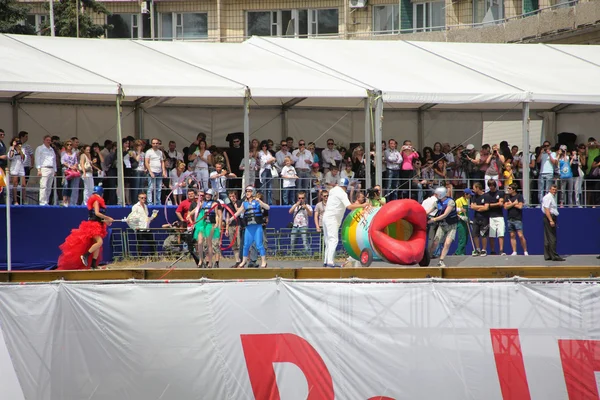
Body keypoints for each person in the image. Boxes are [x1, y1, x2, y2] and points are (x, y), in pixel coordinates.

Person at [57, 186, 114, 270]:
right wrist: (108, 218)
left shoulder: (97, 201)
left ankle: (93, 265)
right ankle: (85, 255)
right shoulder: (96, 200)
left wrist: (106, 221)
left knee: (97, 245)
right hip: (93, 225)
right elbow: (97, 213)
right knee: (99, 242)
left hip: (98, 224)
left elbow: (97, 216)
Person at [322, 178, 365, 267]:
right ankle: (330, 262)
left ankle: (326, 261)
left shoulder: (333, 190)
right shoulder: (342, 193)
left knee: (328, 241)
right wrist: (363, 205)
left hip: (326, 217)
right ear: (346, 186)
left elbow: (334, 187)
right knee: (333, 240)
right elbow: (349, 206)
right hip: (332, 218)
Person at [229, 186, 270, 268]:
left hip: (257, 227)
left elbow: (268, 207)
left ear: (253, 192)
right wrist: (231, 219)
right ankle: (243, 261)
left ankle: (263, 261)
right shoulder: (244, 203)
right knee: (246, 245)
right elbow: (238, 213)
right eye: (247, 191)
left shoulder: (257, 202)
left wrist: (260, 202)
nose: (247, 192)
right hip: (249, 227)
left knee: (259, 244)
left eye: (250, 191)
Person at [424, 187, 458, 267]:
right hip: (442, 225)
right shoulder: (437, 203)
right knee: (435, 242)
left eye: (436, 194)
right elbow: (428, 211)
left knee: (447, 243)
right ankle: (428, 256)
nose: (435, 195)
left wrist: (434, 219)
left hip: (451, 226)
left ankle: (441, 260)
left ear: (440, 194)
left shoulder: (450, 202)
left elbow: (445, 215)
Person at [191, 189, 222, 268]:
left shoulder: (214, 204)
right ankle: (201, 260)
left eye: (209, 195)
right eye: (206, 194)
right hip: (203, 224)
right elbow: (196, 209)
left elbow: (217, 215)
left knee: (209, 243)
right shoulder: (203, 203)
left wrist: (217, 224)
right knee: (200, 242)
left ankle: (210, 262)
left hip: (210, 224)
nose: (207, 196)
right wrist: (189, 214)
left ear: (211, 196)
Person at [175, 188, 200, 265]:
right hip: (188, 225)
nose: (190, 195)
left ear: (195, 194)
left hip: (197, 225)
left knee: (197, 242)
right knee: (188, 242)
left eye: (192, 194)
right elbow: (177, 211)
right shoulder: (184, 203)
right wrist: (183, 220)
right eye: (189, 194)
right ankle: (187, 259)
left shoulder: (198, 203)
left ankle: (198, 259)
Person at [504, 183, 529, 256]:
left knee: (520, 235)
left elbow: (520, 207)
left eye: (510, 189)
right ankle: (514, 251)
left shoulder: (519, 196)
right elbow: (505, 207)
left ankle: (525, 251)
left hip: (517, 219)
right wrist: (514, 203)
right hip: (509, 218)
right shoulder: (507, 197)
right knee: (512, 235)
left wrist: (511, 204)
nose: (508, 190)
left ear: (514, 190)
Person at [541, 185, 565, 261]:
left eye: (555, 190)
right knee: (552, 237)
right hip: (549, 217)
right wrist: (551, 220)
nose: (554, 191)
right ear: (549, 189)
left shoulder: (552, 197)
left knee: (547, 237)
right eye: (553, 189)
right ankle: (554, 255)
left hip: (551, 217)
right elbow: (546, 209)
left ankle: (548, 255)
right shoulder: (548, 197)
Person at [35, 135, 57, 206]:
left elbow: (54, 160)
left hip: (51, 169)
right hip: (44, 168)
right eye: (47, 140)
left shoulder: (51, 149)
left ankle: (46, 201)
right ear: (44, 140)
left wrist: (55, 170)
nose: (48, 141)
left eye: (49, 140)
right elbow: (37, 159)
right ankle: (42, 202)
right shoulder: (40, 148)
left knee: (49, 187)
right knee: (43, 186)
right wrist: (38, 169)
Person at [145, 138, 167, 205]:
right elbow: (146, 162)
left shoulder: (160, 152)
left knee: (159, 188)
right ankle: (150, 202)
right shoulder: (148, 152)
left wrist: (164, 171)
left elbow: (162, 162)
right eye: (153, 143)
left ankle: (158, 202)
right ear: (151, 144)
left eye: (156, 143)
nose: (155, 145)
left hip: (159, 171)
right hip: (152, 171)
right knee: (150, 188)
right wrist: (150, 171)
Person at [486, 180, 506, 255]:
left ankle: (501, 250)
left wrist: (491, 204)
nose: (491, 187)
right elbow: (487, 205)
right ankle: (492, 250)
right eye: (489, 186)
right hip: (490, 216)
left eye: (492, 185)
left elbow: (501, 204)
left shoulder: (500, 193)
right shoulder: (487, 194)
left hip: (499, 216)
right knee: (491, 235)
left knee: (501, 233)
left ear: (495, 186)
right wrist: (496, 203)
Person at [470, 182, 490, 257]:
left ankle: (484, 250)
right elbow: (472, 206)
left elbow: (486, 207)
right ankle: (477, 249)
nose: (473, 189)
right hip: (476, 218)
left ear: (478, 188)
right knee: (475, 234)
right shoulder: (474, 196)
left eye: (474, 188)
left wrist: (477, 207)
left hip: (484, 218)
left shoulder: (486, 196)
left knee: (483, 234)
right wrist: (481, 207)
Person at [454, 188, 474, 256]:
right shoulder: (458, 200)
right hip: (460, 221)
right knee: (462, 237)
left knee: (466, 237)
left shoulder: (466, 201)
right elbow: (453, 209)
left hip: (466, 221)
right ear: (465, 194)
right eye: (469, 195)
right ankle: (458, 252)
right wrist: (460, 209)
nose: (470, 196)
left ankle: (462, 252)